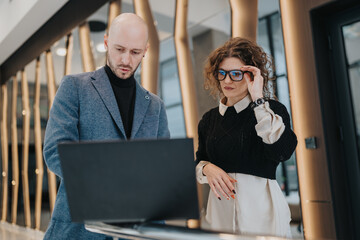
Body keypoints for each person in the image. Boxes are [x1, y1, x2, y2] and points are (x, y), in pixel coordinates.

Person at [43, 13, 170, 240]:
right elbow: (56, 151)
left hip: (136, 232)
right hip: (79, 230)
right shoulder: (74, 87)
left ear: (146, 51)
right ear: (106, 42)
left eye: (135, 52)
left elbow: (161, 172)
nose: (126, 61)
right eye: (119, 49)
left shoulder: (156, 107)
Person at [195, 37, 297, 237]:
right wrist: (207, 168)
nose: (227, 81)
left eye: (236, 74)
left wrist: (258, 100)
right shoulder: (209, 120)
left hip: (262, 212)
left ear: (252, 75)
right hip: (220, 213)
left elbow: (282, 152)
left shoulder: (271, 110)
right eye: (222, 73)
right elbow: (199, 160)